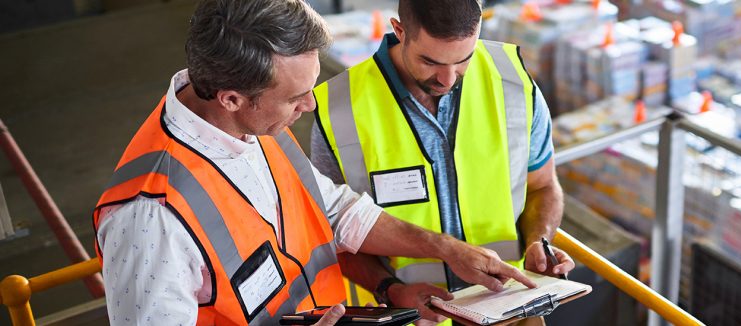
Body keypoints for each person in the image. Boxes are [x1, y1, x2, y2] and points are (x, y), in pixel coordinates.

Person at [91, 0, 534, 324]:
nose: (309, 105)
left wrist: (445, 250)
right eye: (295, 96)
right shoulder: (150, 217)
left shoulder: (253, 123)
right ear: (230, 98)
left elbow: (338, 210)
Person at [310, 0, 575, 322]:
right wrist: (390, 289)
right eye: (430, 61)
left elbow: (543, 185)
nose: (448, 78)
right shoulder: (339, 109)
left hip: (512, 306)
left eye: (464, 59)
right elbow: (332, 234)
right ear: (399, 30)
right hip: (412, 316)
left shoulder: (513, 81)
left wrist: (539, 240)